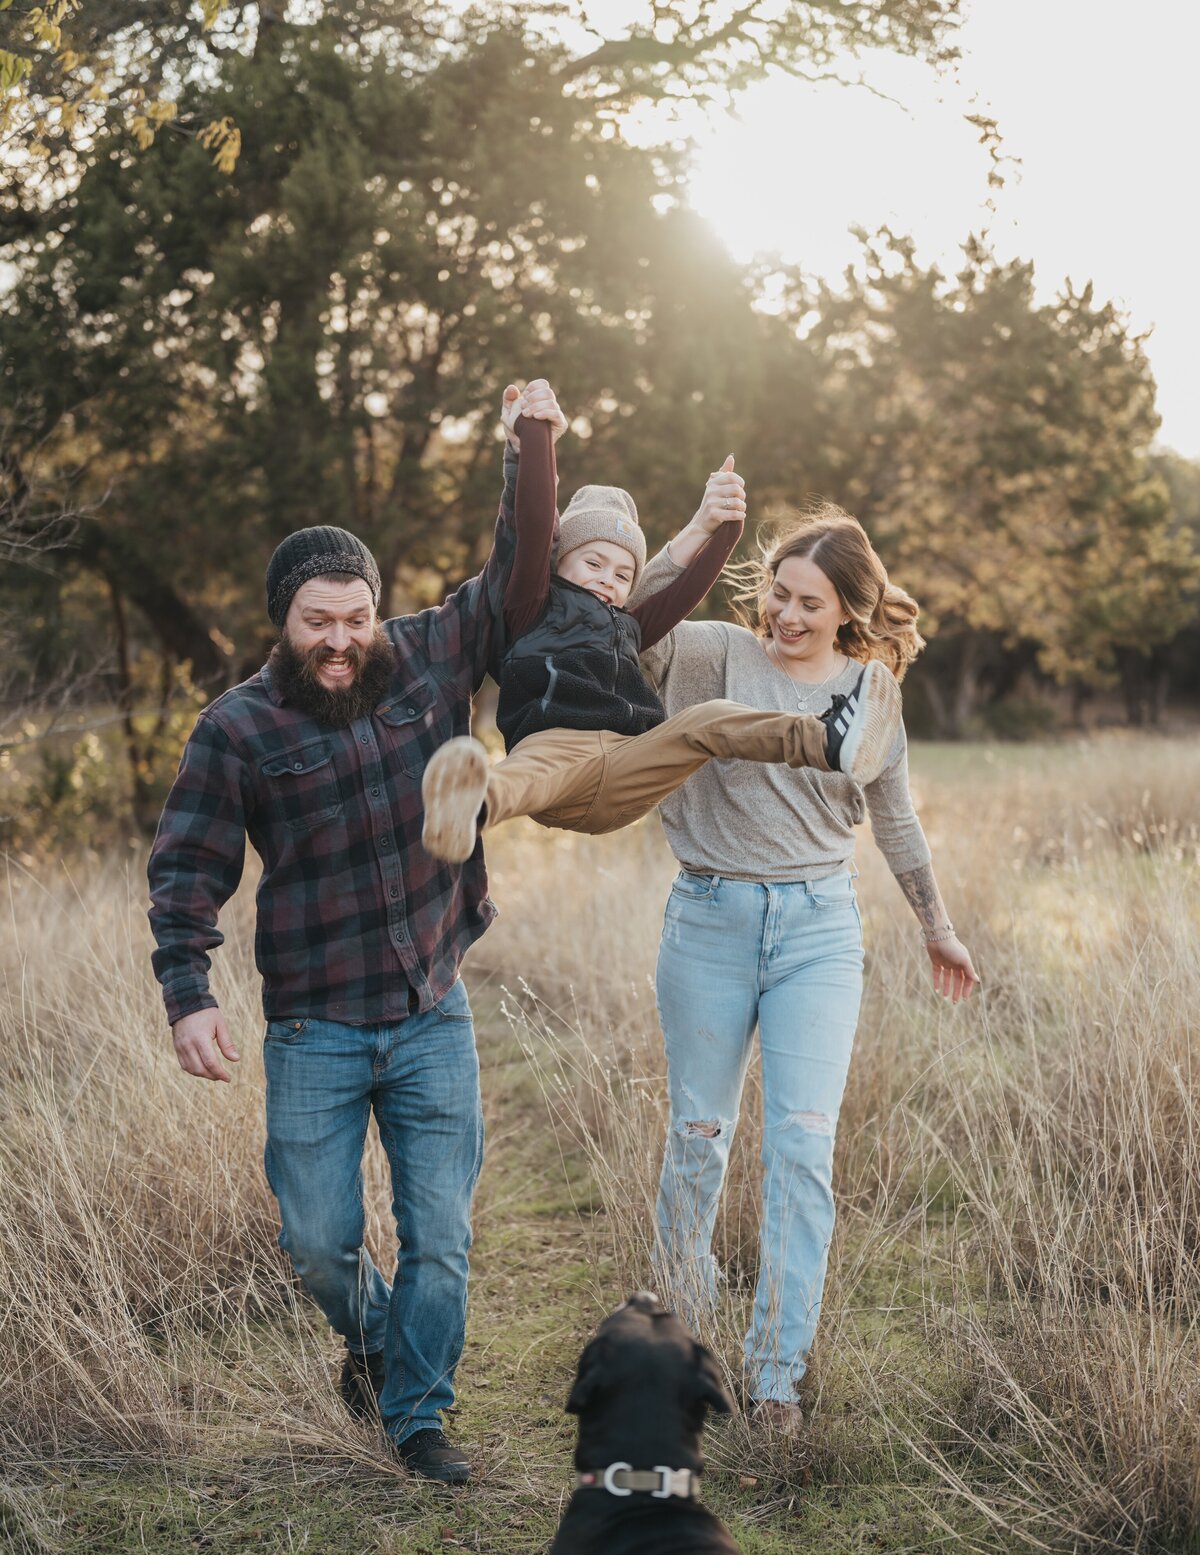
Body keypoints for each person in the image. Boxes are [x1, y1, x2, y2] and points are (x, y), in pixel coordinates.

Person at [146, 401, 546, 1483]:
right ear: (285, 619)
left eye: (356, 616)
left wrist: (528, 448)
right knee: (318, 1245)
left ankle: (417, 1419)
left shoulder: (427, 659)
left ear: (378, 609)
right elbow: (187, 867)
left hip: (430, 1007)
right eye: (319, 621)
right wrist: (189, 992)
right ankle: (373, 1341)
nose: (340, 639)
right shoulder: (237, 727)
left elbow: (515, 571)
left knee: (442, 1238)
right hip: (316, 1025)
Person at [640, 505, 980, 1438]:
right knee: (699, 1139)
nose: (786, 616)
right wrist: (700, 530)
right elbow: (624, 614)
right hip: (708, 915)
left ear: (848, 612)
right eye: (778, 594)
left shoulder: (872, 690)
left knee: (800, 1146)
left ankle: (777, 1379)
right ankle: (677, 1352)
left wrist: (935, 927)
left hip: (819, 932)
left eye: (809, 603)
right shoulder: (708, 652)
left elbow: (896, 817)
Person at [419, 382, 903, 863]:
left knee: (707, 719)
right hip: (555, 755)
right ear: (559, 562)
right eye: (593, 563)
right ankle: (470, 809)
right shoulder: (529, 607)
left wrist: (727, 524)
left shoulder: (627, 627)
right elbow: (535, 520)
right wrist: (537, 433)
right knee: (524, 772)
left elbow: (683, 593)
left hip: (634, 764)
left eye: (623, 573)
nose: (608, 580)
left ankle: (828, 741)